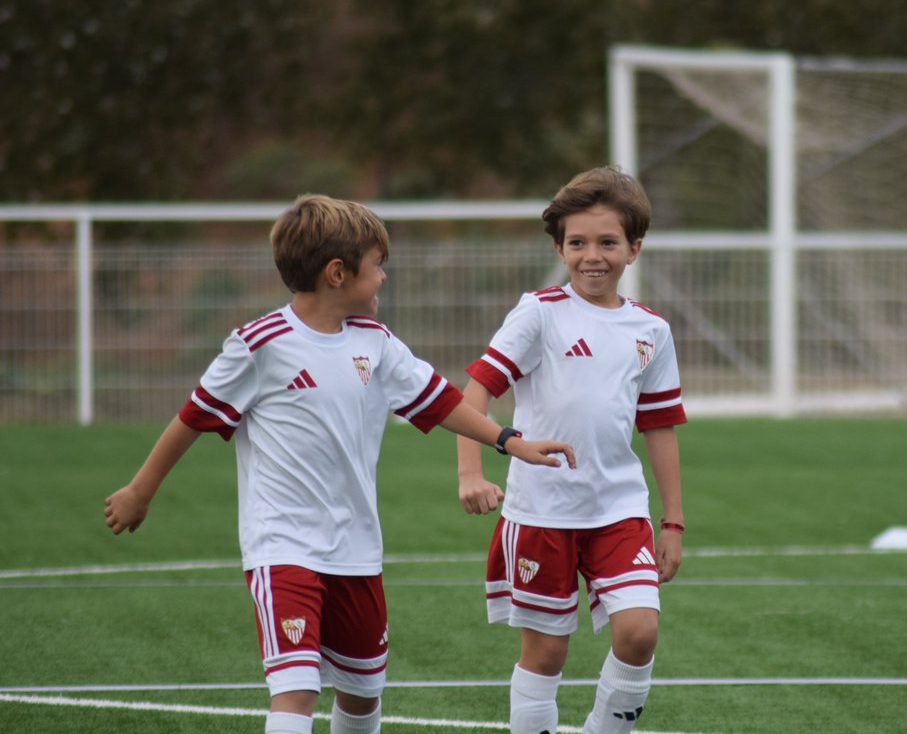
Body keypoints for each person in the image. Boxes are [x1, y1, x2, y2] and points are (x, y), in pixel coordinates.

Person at [103, 194, 575, 734]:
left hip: (356, 551)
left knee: (361, 696)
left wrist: (510, 442)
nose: (383, 279)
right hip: (282, 547)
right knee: (296, 690)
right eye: (377, 267)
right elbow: (193, 417)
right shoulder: (261, 345)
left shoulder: (376, 344)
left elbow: (442, 402)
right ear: (336, 273)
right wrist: (141, 490)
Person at [456, 166, 687, 734]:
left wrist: (673, 520)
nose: (592, 256)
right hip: (542, 512)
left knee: (639, 632)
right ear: (559, 247)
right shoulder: (539, 312)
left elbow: (659, 426)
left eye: (608, 242)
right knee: (546, 656)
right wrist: (471, 472)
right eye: (577, 243)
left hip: (618, 510)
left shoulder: (650, 330)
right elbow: (477, 390)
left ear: (634, 248)